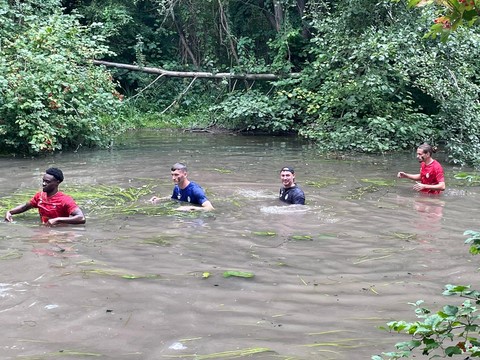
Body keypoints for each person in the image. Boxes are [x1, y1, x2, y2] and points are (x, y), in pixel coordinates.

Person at [5, 167, 86, 226]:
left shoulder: (65, 200)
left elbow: (81, 218)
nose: (43, 184)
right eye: (43, 181)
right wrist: (10, 212)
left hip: (59, 232)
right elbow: (25, 207)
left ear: (57, 182)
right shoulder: (39, 196)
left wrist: (57, 220)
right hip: (44, 227)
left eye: (47, 182)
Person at [150, 163, 214, 211]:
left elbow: (210, 208)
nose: (173, 178)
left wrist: (190, 208)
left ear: (185, 174)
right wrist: (160, 199)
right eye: (172, 175)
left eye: (176, 175)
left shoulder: (195, 190)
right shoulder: (177, 188)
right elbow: (173, 199)